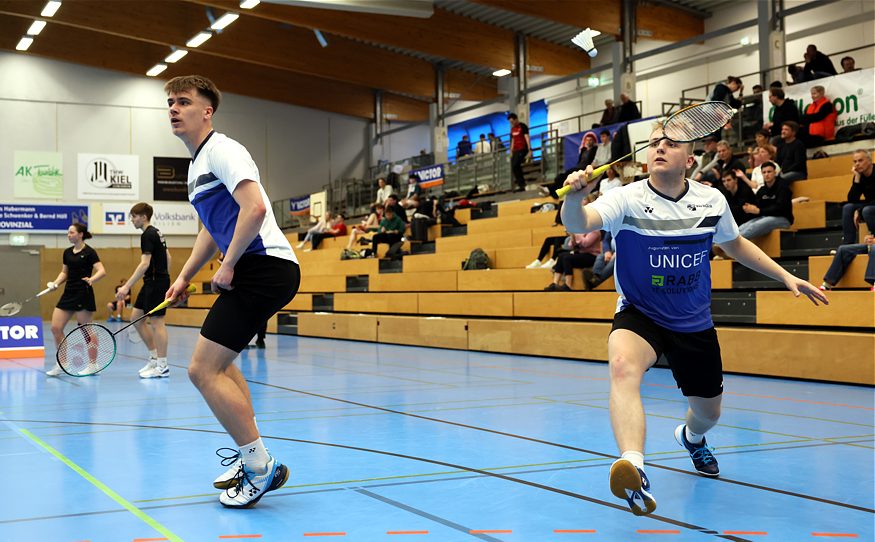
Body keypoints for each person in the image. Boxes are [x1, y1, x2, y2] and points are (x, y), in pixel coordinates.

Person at [560, 124, 827, 516]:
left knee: (708, 411)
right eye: (654, 144)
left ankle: (692, 437)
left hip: (693, 321)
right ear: (644, 156)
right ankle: (633, 465)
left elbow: (735, 243)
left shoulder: (710, 200)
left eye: (670, 144)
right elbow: (578, 223)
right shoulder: (625, 198)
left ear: (690, 159)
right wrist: (576, 195)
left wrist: (786, 276)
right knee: (622, 367)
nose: (660, 149)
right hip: (640, 312)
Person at [164, 75, 300, 508]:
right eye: (169, 102)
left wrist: (228, 264)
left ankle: (258, 466)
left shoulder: (224, 149)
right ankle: (252, 454)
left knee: (201, 370)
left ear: (207, 111)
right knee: (222, 365)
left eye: (183, 101)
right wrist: (185, 275)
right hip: (254, 268)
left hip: (264, 266)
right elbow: (210, 229)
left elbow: (255, 208)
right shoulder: (197, 165)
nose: (173, 108)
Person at [116, 202, 173, 378]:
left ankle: (163, 366)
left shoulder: (147, 235)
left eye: (133, 216)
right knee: (136, 318)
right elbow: (168, 256)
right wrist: (165, 276)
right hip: (153, 281)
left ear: (143, 217)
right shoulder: (157, 232)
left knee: (157, 322)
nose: (132, 220)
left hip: (155, 282)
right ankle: (154, 357)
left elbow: (144, 264)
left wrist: (126, 286)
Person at [46, 223, 107, 376]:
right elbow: (64, 273)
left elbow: (102, 271)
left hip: (83, 292)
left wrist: (92, 279)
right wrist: (55, 283)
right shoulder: (67, 252)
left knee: (86, 330)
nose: (69, 235)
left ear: (80, 234)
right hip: (68, 293)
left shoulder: (89, 252)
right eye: (68, 232)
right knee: (55, 328)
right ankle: (62, 363)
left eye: (72, 232)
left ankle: (93, 364)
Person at [738, 161, 794, 239]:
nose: (766, 174)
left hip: (783, 219)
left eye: (769, 172)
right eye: (764, 172)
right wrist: (750, 209)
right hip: (765, 217)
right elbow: (757, 207)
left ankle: (731, 243)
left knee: (756, 225)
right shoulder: (762, 190)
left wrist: (759, 211)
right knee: (743, 226)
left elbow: (781, 208)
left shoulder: (783, 187)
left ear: (775, 172)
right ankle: (724, 243)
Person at [840, 149, 875, 245]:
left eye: (860, 160)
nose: (857, 164)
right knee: (848, 207)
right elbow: (852, 199)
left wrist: (859, 210)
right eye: (855, 162)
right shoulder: (860, 175)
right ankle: (848, 244)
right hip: (870, 204)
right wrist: (857, 178)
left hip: (871, 206)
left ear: (869, 160)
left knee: (867, 210)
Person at [508, 113, 531, 191]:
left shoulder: (523, 126)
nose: (512, 123)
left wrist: (529, 149)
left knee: (516, 165)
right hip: (515, 150)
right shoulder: (512, 130)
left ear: (516, 119)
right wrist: (511, 151)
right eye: (510, 122)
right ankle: (521, 184)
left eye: (512, 121)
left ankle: (522, 184)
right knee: (514, 167)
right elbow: (513, 140)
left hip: (522, 149)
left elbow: (526, 137)